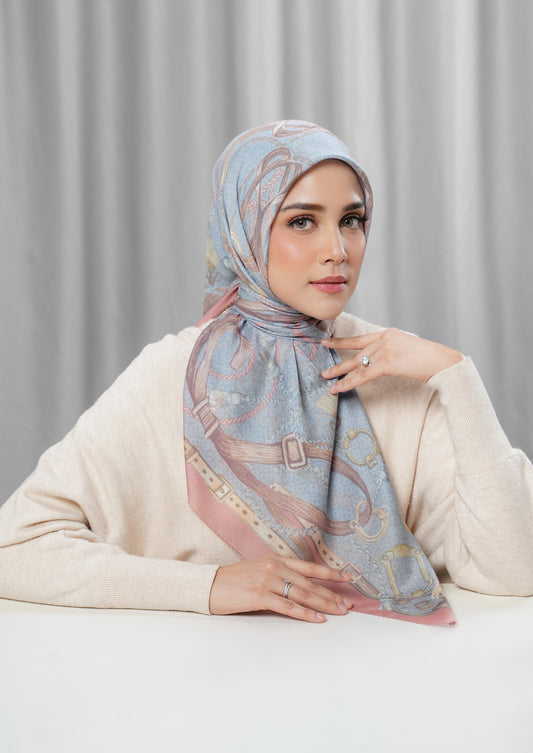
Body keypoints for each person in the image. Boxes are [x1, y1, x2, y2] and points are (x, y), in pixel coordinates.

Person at [1, 120, 532, 625]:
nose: (337, 250)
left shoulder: (393, 368)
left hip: (378, 673)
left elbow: (515, 567)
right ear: (246, 232)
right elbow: (15, 546)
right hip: (194, 677)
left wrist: (456, 375)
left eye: (352, 220)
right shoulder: (175, 375)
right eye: (302, 221)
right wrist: (208, 587)